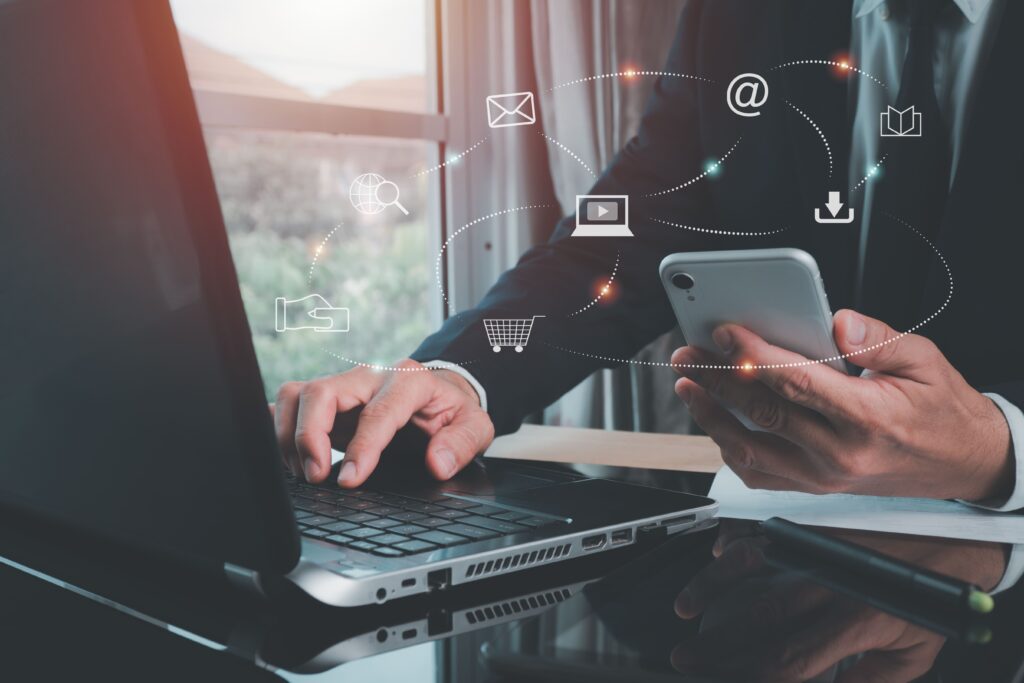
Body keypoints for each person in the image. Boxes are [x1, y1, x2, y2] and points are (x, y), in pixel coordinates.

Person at [274, 0, 1024, 508]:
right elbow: (618, 239)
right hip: (780, 548)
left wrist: (994, 448)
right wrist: (460, 373)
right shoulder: (740, 15)